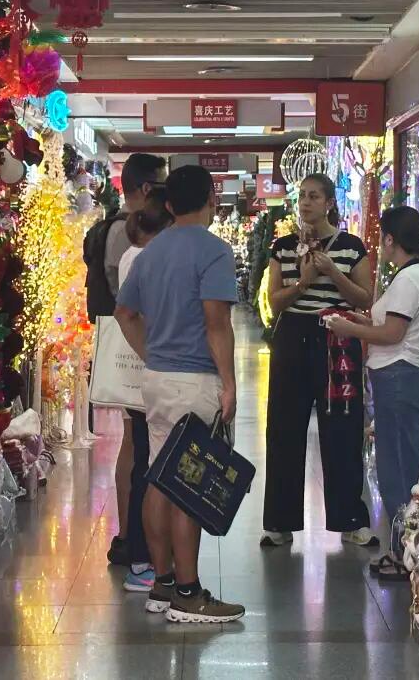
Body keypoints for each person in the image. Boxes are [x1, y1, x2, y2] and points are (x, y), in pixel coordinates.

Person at [114, 165, 244, 623]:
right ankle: (188, 593)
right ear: (211, 198)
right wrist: (229, 383)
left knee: (157, 476)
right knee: (189, 483)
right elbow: (217, 324)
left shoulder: (149, 253)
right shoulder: (214, 251)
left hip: (158, 379)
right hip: (195, 381)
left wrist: (151, 353)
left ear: (168, 204)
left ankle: (162, 583)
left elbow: (124, 313)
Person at [325, 206, 419, 577]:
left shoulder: (411, 279)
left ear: (390, 239)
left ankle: (405, 552)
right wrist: (360, 320)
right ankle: (404, 549)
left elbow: (393, 335)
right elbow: (389, 323)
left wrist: (350, 331)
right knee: (397, 463)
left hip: (399, 379)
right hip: (397, 378)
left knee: (400, 469)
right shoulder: (411, 276)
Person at [261, 173, 375, 547]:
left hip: (338, 340)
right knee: (284, 428)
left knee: (342, 427)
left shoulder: (351, 247)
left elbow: (364, 298)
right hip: (292, 336)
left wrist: (331, 273)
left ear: (329, 203)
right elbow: (275, 301)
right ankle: (280, 521)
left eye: (314, 196)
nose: (306, 203)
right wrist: (304, 281)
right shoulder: (283, 247)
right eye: (302, 197)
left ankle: (349, 518)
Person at [84, 153, 166, 573]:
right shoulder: (127, 235)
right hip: (132, 348)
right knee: (136, 443)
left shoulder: (116, 228)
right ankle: (130, 534)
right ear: (148, 189)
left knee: (135, 442)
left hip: (126, 347)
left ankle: (129, 533)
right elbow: (127, 301)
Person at [115, 190, 173, 592]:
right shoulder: (145, 259)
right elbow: (134, 313)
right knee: (147, 467)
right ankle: (142, 559)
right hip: (147, 374)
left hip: (145, 373)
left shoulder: (133, 256)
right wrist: (152, 353)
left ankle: (146, 554)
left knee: (145, 462)